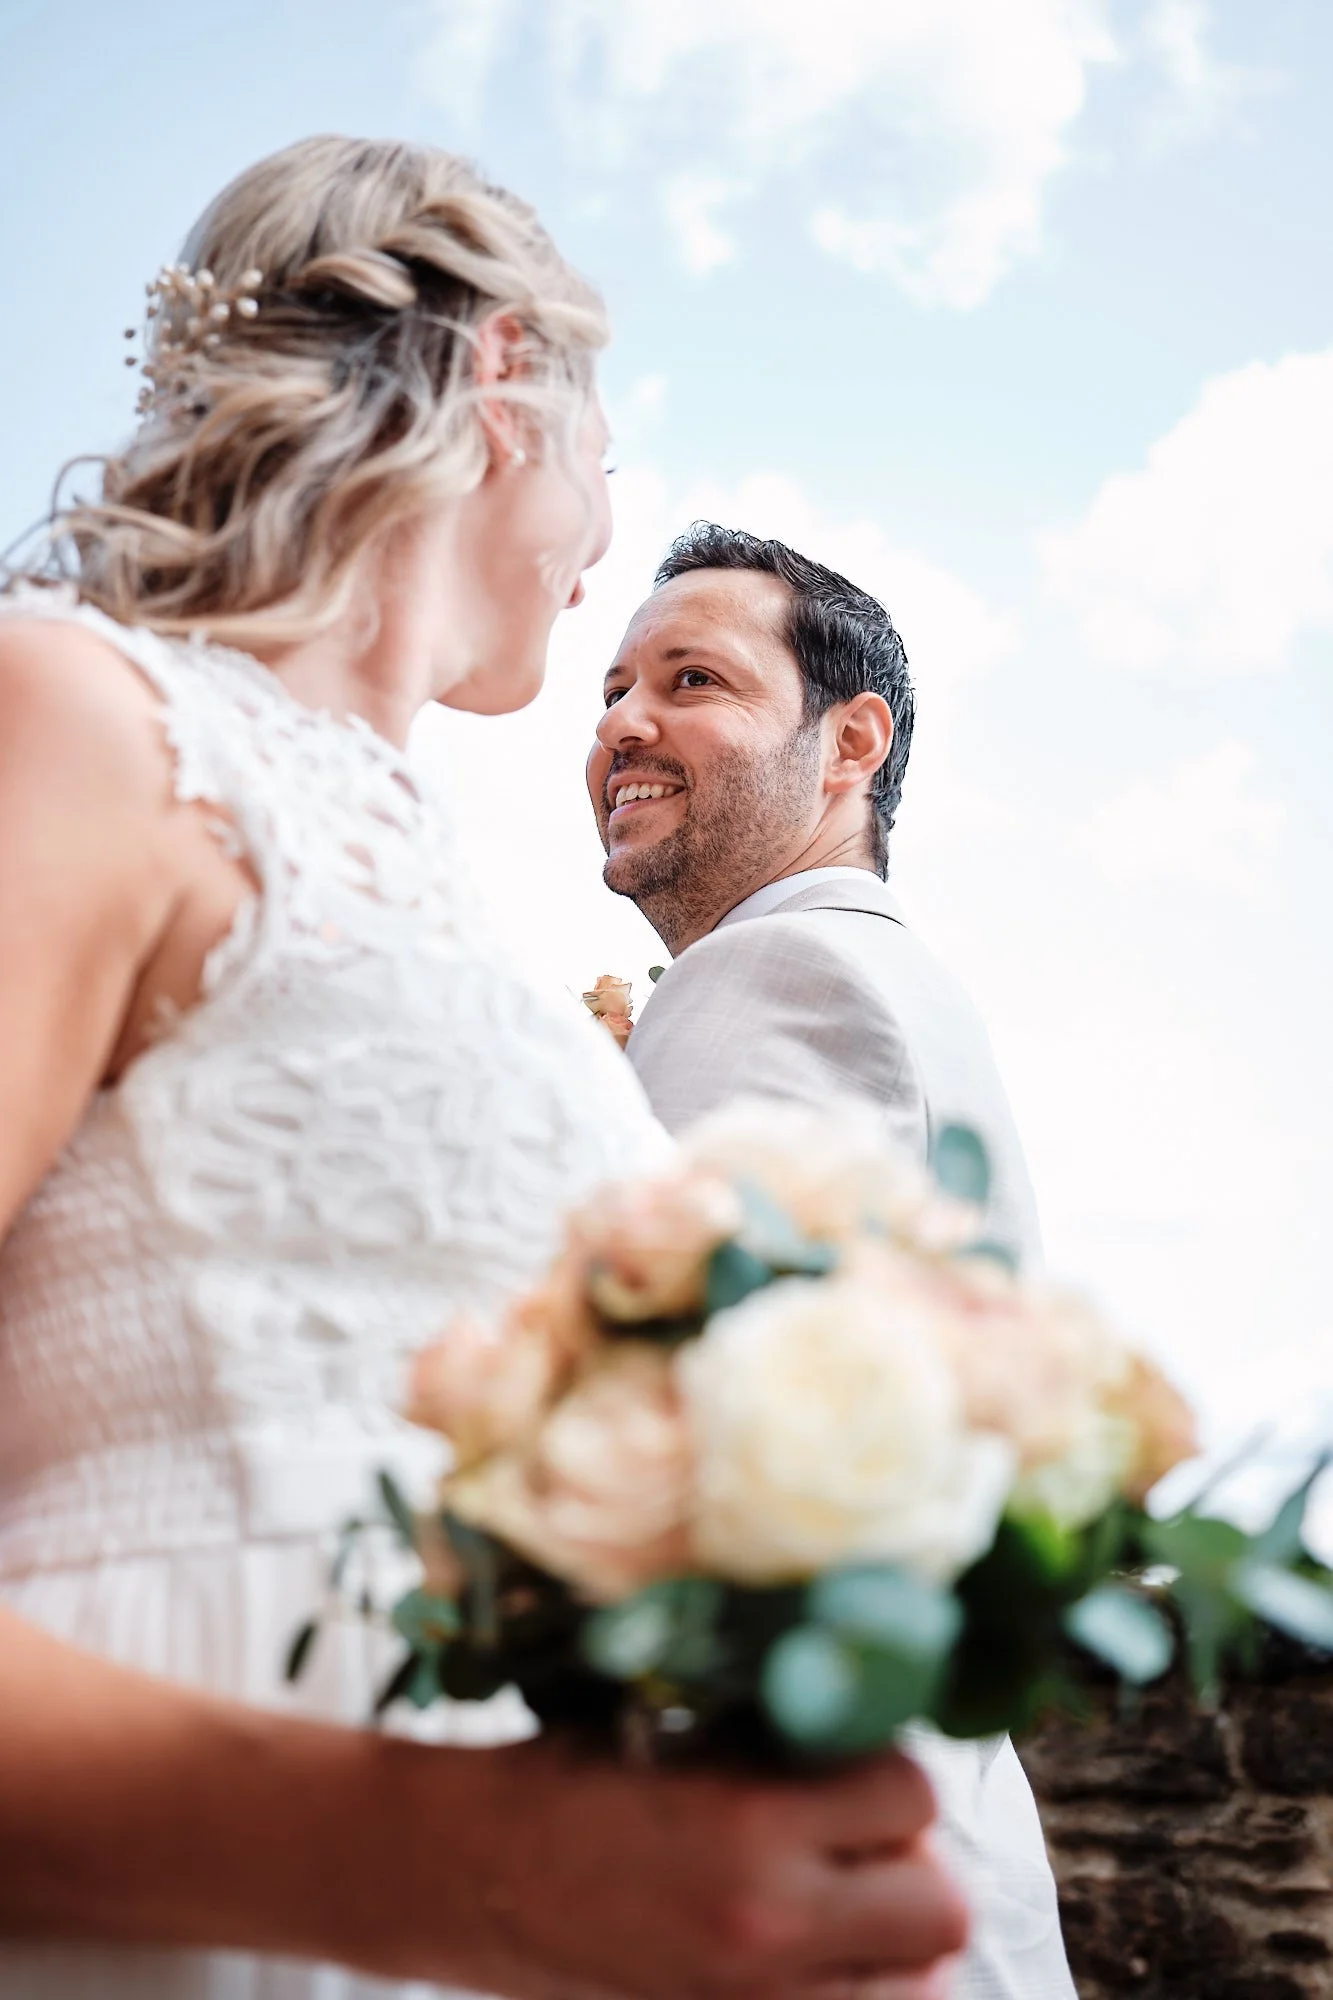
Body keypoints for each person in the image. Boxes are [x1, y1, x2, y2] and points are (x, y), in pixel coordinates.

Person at [0, 139, 968, 1998]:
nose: (609, 521)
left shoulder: (452, 904)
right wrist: (468, 1864)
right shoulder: (84, 718)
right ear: (510, 378)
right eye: (607, 448)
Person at [587, 524, 1076, 1999]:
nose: (621, 722)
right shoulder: (879, 977)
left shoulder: (781, 972)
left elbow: (681, 1441)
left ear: (849, 739)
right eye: (609, 687)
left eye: (692, 679)